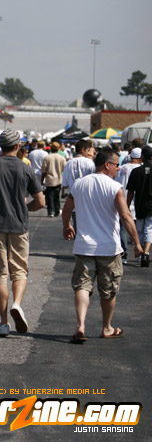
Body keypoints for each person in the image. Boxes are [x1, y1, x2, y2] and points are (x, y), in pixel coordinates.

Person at [62, 147, 143, 344]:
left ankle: (80, 325)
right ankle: (107, 327)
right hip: (109, 248)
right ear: (107, 165)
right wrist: (136, 242)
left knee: (82, 286)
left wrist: (67, 225)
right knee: (108, 289)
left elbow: (67, 208)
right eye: (116, 165)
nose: (118, 168)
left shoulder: (79, 184)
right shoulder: (114, 187)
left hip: (84, 246)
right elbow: (125, 216)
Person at [0, 128, 45, 336]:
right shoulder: (26, 168)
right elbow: (41, 202)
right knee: (19, 271)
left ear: (0, 146)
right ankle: (17, 304)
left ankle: (3, 323)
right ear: (18, 146)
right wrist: (24, 208)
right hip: (19, 225)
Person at [126, 145, 152, 267]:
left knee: (140, 229)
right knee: (149, 229)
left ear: (142, 156)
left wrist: (126, 205)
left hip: (140, 204)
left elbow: (130, 191)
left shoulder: (136, 171)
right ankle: (146, 252)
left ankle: (141, 253)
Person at [117, 148, 142, 264]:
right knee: (140, 229)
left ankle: (123, 254)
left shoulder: (122, 168)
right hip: (138, 203)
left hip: (123, 201)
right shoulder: (142, 169)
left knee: (122, 228)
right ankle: (141, 253)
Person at [41, 141, 66, 218]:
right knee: (56, 196)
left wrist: (42, 180)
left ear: (51, 148)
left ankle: (50, 211)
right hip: (58, 179)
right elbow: (64, 169)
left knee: (49, 196)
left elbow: (44, 171)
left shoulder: (47, 157)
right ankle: (57, 210)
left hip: (49, 180)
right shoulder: (62, 158)